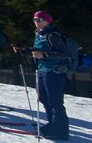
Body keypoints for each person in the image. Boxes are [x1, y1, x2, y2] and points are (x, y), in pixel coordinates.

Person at [19, 11, 70, 140]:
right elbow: (39, 49)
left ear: (47, 21)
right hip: (42, 70)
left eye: (40, 20)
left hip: (54, 71)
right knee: (44, 98)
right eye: (35, 20)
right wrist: (24, 50)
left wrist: (44, 55)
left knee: (55, 101)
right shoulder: (39, 34)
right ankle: (52, 124)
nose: (37, 22)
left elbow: (64, 53)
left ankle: (61, 131)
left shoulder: (53, 35)